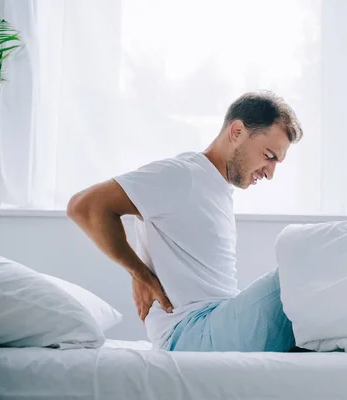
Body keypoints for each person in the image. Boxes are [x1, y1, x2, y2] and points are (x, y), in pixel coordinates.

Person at [67, 90, 303, 352]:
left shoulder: (216, 187)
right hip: (193, 330)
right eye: (269, 156)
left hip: (215, 321)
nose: (270, 173)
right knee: (307, 265)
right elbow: (85, 206)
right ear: (237, 132)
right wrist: (140, 274)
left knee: (316, 310)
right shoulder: (183, 175)